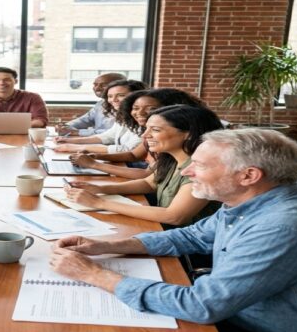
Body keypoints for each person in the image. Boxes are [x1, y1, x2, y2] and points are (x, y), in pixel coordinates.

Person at [50, 129, 297, 332]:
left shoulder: (284, 227)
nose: (186, 171)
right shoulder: (251, 202)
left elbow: (202, 306)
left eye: (200, 165)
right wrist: (106, 246)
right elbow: (191, 236)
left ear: (249, 176)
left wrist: (93, 275)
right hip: (241, 313)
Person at [65, 105, 222, 226]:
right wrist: (101, 189)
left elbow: (174, 216)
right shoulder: (172, 158)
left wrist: (99, 202)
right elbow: (149, 183)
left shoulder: (203, 168)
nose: (144, 135)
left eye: (155, 130)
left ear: (188, 133)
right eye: (146, 128)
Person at [70, 88, 205, 179]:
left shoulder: (181, 143)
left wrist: (95, 164)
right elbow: (134, 155)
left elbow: (148, 176)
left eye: (152, 109)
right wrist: (96, 156)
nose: (139, 113)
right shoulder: (151, 134)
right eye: (135, 108)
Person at [54, 79, 147, 154]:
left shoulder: (144, 119)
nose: (113, 100)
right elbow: (108, 136)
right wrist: (70, 141)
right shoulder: (123, 116)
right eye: (110, 96)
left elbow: (128, 149)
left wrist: (77, 147)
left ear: (138, 96)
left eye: (121, 95)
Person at [57, 73, 124, 137]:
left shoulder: (126, 107)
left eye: (103, 85)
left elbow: (111, 133)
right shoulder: (101, 104)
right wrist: (66, 126)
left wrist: (78, 132)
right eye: (95, 85)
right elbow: (85, 120)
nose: (97, 88)